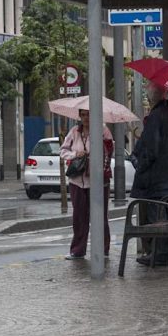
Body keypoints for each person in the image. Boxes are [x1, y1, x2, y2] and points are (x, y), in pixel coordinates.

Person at [130, 81, 168, 266]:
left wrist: (139, 164)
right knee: (166, 215)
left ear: (153, 96)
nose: (146, 95)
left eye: (147, 92)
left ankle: (157, 255)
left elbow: (151, 150)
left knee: (155, 216)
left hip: (155, 181)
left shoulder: (155, 117)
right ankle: (166, 253)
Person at [60, 109, 114, 259]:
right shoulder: (74, 132)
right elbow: (63, 151)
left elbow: (109, 151)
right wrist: (75, 154)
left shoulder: (103, 131)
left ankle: (103, 250)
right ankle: (78, 250)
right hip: (77, 180)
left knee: (99, 217)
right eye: (83, 115)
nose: (85, 118)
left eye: (88, 114)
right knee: (79, 216)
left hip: (97, 180)